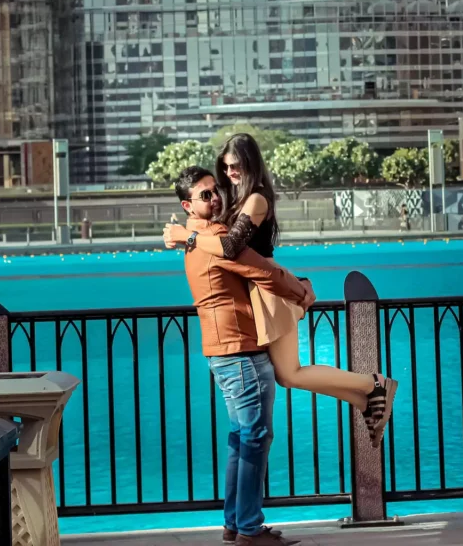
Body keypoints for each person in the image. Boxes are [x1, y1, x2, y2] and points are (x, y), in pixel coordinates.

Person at [164, 133, 396, 443]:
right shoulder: (236, 199)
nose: (231, 173)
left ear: (251, 164)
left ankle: (373, 385)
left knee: (290, 373)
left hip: (270, 292)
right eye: (227, 167)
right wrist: (183, 232)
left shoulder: (257, 198)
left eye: (237, 166)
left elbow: (231, 246)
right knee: (288, 375)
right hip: (260, 291)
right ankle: (364, 401)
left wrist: (187, 237)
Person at [165, 166, 311, 546]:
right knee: (256, 436)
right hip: (241, 350)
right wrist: (302, 292)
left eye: (216, 191)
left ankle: (235, 523)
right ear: (188, 205)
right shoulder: (212, 236)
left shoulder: (194, 240)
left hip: (221, 352)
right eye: (205, 195)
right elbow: (263, 271)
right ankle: (248, 528)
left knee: (241, 436)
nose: (215, 198)